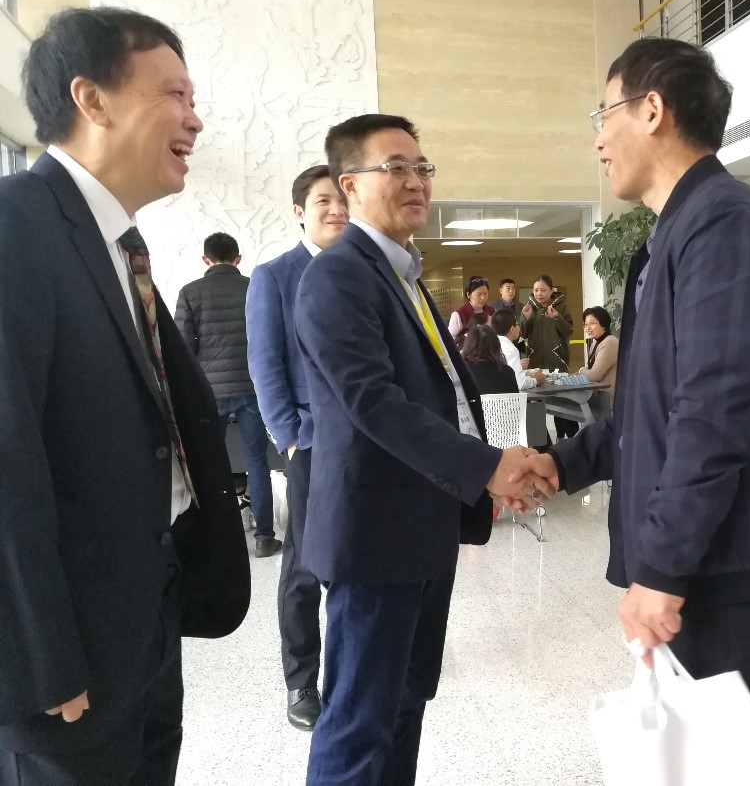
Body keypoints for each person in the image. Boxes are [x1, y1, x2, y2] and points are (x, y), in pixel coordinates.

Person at [508, 37, 750, 750]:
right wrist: (564, 462)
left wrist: (662, 568)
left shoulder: (724, 223)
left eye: (604, 114)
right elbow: (653, 405)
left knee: (725, 761)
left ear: (651, 110)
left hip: (736, 558)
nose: (598, 140)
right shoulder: (675, 233)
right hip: (708, 551)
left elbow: (714, 413)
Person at [0, 6, 249, 785]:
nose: (195, 119)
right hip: (67, 659)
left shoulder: (116, 245)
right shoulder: (15, 226)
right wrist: (40, 661)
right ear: (92, 98)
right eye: (174, 94)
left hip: (144, 622)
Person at [295, 113, 554, 785]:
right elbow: (374, 402)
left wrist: (482, 471)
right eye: (396, 168)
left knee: (405, 704)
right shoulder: (338, 276)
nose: (416, 181)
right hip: (376, 537)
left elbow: (444, 392)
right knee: (358, 722)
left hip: (423, 524)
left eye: (422, 167)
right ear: (350, 185)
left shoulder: (404, 277)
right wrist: (487, 466)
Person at [246, 164, 348, 731]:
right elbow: (265, 365)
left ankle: (355, 663)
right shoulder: (274, 277)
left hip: (370, 442)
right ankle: (301, 680)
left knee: (360, 558)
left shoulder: (366, 271)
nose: (336, 209)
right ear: (299, 213)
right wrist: (288, 436)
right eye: (323, 201)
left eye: (343, 199)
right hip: (311, 440)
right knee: (306, 565)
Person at [175, 232, 281, 558]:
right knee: (256, 461)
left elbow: (183, 349)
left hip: (210, 392)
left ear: (206, 260)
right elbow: (272, 338)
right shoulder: (255, 287)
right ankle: (264, 538)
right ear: (237, 258)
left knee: (210, 463)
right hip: (253, 388)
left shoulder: (190, 292)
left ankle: (217, 538)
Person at [520, 274, 575, 437]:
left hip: (557, 360)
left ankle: (564, 437)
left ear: (551, 290)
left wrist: (556, 318)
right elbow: (522, 334)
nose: (539, 294)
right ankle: (538, 441)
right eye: (536, 290)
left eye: (543, 290)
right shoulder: (529, 307)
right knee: (534, 402)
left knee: (561, 400)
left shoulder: (562, 306)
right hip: (535, 363)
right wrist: (526, 318)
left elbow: (569, 331)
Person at [491, 309, 545, 391]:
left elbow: (507, 372)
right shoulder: (510, 349)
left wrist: (528, 373)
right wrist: (537, 380)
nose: (519, 328)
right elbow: (520, 383)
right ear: (512, 329)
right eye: (518, 324)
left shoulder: (492, 343)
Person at [461, 325, 519, 395]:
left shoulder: (461, 372)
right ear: (496, 345)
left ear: (468, 345)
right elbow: (515, 400)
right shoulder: (507, 372)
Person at [578, 305, 618, 402]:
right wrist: (566, 376)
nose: (588, 328)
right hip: (596, 395)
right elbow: (589, 369)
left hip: (607, 399)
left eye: (592, 323)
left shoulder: (610, 342)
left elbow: (594, 375)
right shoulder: (595, 342)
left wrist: (580, 370)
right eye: (586, 324)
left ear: (603, 325)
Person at [447, 275, 494, 341]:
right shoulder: (458, 314)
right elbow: (450, 340)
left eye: (485, 294)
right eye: (479, 294)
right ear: (468, 294)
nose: (483, 298)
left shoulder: (492, 311)